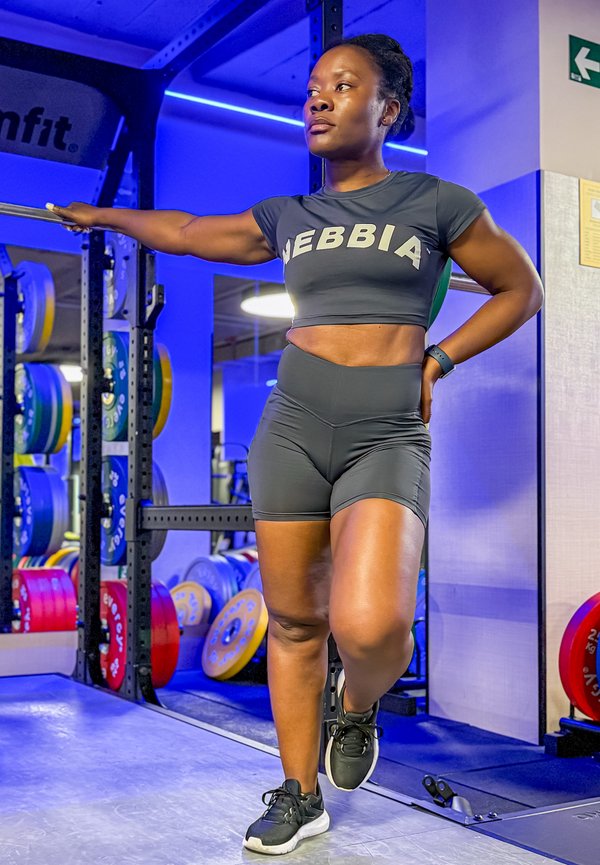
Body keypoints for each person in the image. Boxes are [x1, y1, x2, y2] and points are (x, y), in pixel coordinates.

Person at [48, 32, 544, 857]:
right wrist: (103, 215)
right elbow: (181, 228)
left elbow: (518, 287)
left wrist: (439, 357)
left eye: (342, 86)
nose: (317, 98)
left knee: (376, 624)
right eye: (313, 86)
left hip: (386, 425)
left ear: (386, 109)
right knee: (294, 621)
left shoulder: (435, 201)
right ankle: (298, 790)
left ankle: (358, 707)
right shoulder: (291, 217)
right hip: (293, 423)